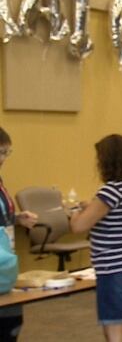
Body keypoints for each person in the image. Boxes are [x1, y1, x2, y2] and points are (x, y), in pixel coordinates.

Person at [70, 134, 122, 342]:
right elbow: (119, 214)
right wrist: (93, 208)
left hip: (115, 268)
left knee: (114, 327)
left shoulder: (111, 191)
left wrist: (73, 213)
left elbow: (79, 226)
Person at [0, 127, 38, 342]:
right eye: (0, 152)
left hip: (4, 264)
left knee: (11, 323)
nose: (3, 158)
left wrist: (17, 218)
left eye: (7, 152)